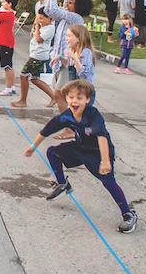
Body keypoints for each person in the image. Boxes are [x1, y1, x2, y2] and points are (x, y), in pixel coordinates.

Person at [23, 79, 138, 233]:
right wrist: (32, 147)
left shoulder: (93, 115)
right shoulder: (67, 116)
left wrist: (105, 161)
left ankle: (128, 214)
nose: (74, 101)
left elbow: (101, 137)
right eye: (71, 97)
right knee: (52, 151)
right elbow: (47, 130)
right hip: (80, 148)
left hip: (100, 152)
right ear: (66, 99)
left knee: (108, 182)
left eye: (79, 97)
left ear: (88, 99)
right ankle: (63, 185)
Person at [12, 9, 55, 107]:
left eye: (42, 18)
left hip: (38, 56)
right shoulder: (43, 27)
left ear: (49, 18)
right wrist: (36, 27)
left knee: (23, 75)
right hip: (35, 54)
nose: (39, 20)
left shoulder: (49, 28)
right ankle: (53, 96)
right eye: (38, 18)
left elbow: (39, 39)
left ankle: (23, 100)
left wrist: (36, 26)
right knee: (34, 79)